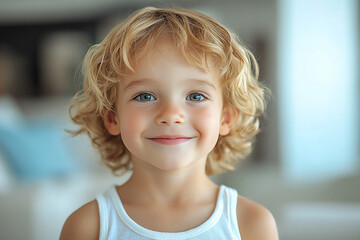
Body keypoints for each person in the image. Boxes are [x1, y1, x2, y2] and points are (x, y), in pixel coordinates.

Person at [60, 6, 278, 240]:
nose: (171, 114)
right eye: (145, 96)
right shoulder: (88, 227)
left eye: (195, 96)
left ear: (226, 118)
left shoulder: (251, 224)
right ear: (113, 117)